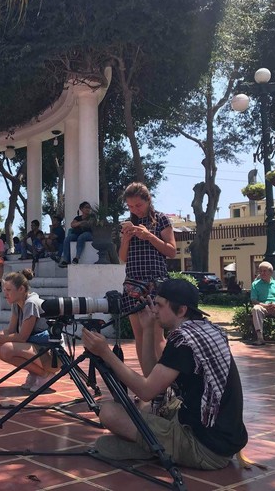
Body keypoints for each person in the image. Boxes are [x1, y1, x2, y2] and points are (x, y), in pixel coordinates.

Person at [82, 278, 248, 470]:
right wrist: (148, 329)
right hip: (218, 438)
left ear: (181, 310)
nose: (154, 310)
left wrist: (105, 353)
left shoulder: (183, 341)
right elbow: (151, 377)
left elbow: (146, 391)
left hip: (205, 449)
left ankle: (154, 448)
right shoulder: (205, 329)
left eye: (160, 305)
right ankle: (155, 444)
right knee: (144, 406)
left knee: (109, 413)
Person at [117, 182, 176, 362]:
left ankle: (164, 375)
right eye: (130, 207)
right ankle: (147, 378)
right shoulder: (128, 224)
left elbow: (172, 251)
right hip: (132, 284)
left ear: (148, 200)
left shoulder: (161, 219)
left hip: (154, 283)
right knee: (140, 336)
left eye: (138, 205)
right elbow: (123, 258)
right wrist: (126, 239)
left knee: (157, 335)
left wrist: (149, 236)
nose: (135, 210)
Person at [0, 269, 60, 392]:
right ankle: (35, 373)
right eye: (5, 290)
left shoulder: (31, 303)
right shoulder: (17, 304)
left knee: (6, 349)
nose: (6, 294)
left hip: (53, 356)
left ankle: (45, 375)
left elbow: (22, 337)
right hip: (37, 349)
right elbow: (11, 330)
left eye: (9, 290)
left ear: (21, 289)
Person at [59, 201, 95, 267]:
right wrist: (81, 222)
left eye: (89, 207)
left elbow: (90, 224)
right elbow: (72, 225)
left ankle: (77, 258)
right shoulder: (77, 218)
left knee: (81, 237)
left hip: (89, 234)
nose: (88, 209)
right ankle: (65, 260)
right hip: (77, 234)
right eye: (86, 207)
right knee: (67, 239)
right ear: (81, 209)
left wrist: (80, 223)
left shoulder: (92, 217)